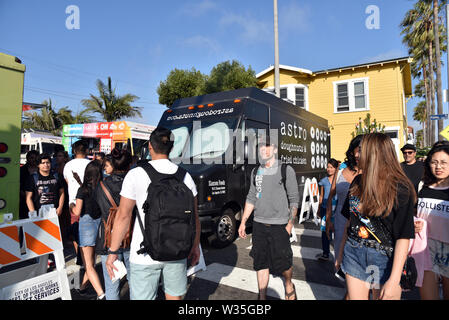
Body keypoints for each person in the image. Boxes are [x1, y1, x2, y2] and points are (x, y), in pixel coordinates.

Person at [105, 127, 201, 300]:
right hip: (176, 250)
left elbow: (123, 216)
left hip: (143, 253)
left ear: (150, 146)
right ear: (172, 148)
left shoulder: (136, 174)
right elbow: (194, 218)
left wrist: (113, 251)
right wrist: (194, 247)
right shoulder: (185, 177)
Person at [337, 133, 415, 300]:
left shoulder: (400, 189)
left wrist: (394, 280)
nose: (356, 154)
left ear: (376, 153)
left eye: (361, 150)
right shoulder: (357, 182)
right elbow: (349, 223)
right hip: (353, 252)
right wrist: (340, 253)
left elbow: (403, 236)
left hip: (385, 260)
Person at [238, 135, 299, 300]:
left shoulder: (286, 169)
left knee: (284, 263)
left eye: (267, 146)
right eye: (260, 147)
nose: (263, 149)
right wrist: (243, 221)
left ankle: (288, 284)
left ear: (275, 149)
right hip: (259, 225)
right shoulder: (255, 171)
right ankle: (262, 297)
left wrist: (289, 225)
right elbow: (251, 198)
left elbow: (294, 200)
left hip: (280, 225)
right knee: (260, 262)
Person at [94, 148, 133, 300]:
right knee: (137, 283)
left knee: (112, 284)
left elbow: (95, 210)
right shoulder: (134, 184)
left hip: (108, 239)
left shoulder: (101, 186)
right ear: (129, 165)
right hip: (132, 237)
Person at [415, 141, 449, 300]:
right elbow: (415, 213)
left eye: (444, 162)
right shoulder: (422, 186)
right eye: (434, 162)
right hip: (426, 249)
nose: (438, 167)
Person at [325, 135, 363, 271]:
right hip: (341, 219)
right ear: (352, 151)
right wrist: (328, 220)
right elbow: (330, 196)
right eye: (356, 150)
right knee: (340, 262)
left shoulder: (371, 172)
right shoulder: (341, 169)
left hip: (362, 223)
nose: (359, 154)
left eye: (362, 150)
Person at [72, 160, 105, 300]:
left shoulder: (83, 190)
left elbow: (77, 211)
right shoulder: (102, 187)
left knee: (89, 265)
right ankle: (83, 288)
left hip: (86, 225)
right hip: (100, 225)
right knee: (91, 262)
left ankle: (101, 294)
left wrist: (71, 206)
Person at [63, 140, 91, 265]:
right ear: (87, 151)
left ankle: (79, 256)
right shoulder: (91, 164)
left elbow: (68, 182)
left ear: (74, 151)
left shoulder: (68, 165)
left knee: (75, 231)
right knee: (88, 231)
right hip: (89, 202)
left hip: (73, 203)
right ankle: (88, 257)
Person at [316, 158, 339, 261]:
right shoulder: (324, 181)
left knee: (338, 232)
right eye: (328, 167)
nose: (329, 169)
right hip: (325, 208)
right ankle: (326, 253)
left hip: (337, 209)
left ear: (335, 168)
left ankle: (339, 254)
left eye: (331, 167)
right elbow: (321, 196)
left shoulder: (339, 179)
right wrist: (319, 208)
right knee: (325, 232)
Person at [19, 150, 39, 219]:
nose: (34, 160)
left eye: (36, 158)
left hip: (38, 200)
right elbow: (19, 185)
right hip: (24, 200)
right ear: (27, 158)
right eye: (32, 158)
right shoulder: (22, 170)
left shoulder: (41, 169)